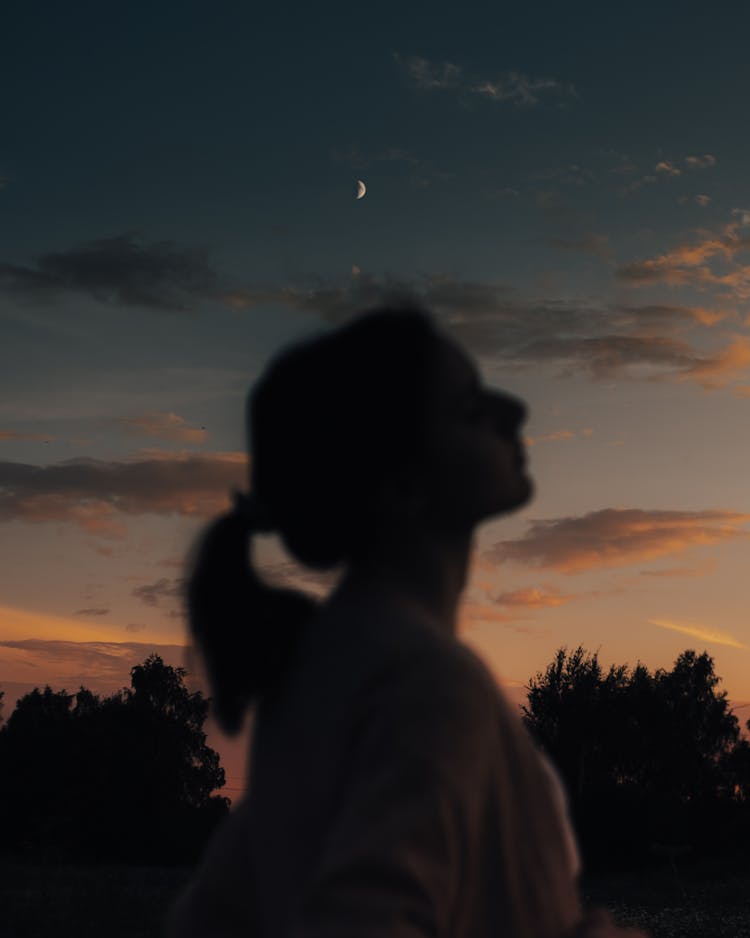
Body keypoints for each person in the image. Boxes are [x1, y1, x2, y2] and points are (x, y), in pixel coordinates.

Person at [166, 306, 647, 938]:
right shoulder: (428, 683)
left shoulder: (314, 674)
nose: (515, 413)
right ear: (404, 483)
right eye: (471, 410)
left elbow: (211, 919)